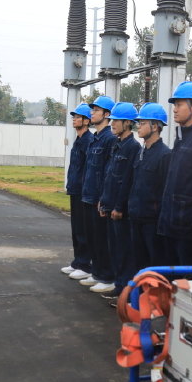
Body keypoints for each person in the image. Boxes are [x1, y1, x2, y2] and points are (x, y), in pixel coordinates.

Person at [157, 82, 192, 265]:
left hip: (188, 227)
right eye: (175, 105)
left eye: (179, 104)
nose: (174, 109)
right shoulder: (181, 137)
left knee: (185, 273)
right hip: (171, 222)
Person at [68, 96, 117, 290]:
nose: (92, 113)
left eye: (96, 110)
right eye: (92, 110)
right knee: (92, 236)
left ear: (107, 114)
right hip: (87, 194)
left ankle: (104, 275)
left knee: (100, 239)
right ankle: (96, 271)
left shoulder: (109, 139)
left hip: (97, 197)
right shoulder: (96, 138)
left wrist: (103, 198)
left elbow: (107, 172)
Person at [98, 102, 141, 296]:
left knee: (124, 251)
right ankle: (118, 284)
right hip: (109, 204)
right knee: (113, 249)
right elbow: (109, 175)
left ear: (128, 123)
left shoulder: (133, 147)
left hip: (120, 210)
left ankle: (124, 288)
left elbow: (127, 181)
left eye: (117, 120)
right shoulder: (116, 145)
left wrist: (118, 207)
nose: (112, 123)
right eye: (112, 120)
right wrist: (103, 200)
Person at [128, 103, 171, 270]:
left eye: (143, 123)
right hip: (136, 217)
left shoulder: (165, 155)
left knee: (154, 264)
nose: (138, 126)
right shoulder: (141, 152)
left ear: (155, 126)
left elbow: (165, 192)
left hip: (152, 223)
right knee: (138, 263)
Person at [61, 103, 93, 276]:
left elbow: (88, 168)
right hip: (75, 189)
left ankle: (85, 265)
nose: (74, 119)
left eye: (78, 117)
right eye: (74, 117)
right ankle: (77, 261)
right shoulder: (79, 140)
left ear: (86, 121)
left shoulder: (88, 141)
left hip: (82, 191)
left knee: (82, 229)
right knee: (76, 228)